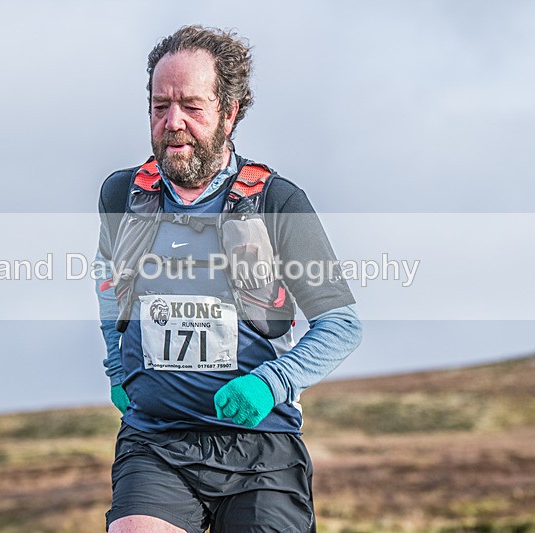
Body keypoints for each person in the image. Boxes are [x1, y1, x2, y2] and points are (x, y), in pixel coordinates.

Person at [95, 25, 362, 533]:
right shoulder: (123, 196)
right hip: (155, 441)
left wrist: (271, 383)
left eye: (192, 107)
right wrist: (115, 366)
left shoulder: (278, 202)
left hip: (262, 450)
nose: (173, 122)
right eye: (159, 106)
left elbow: (341, 324)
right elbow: (108, 284)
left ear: (230, 111)